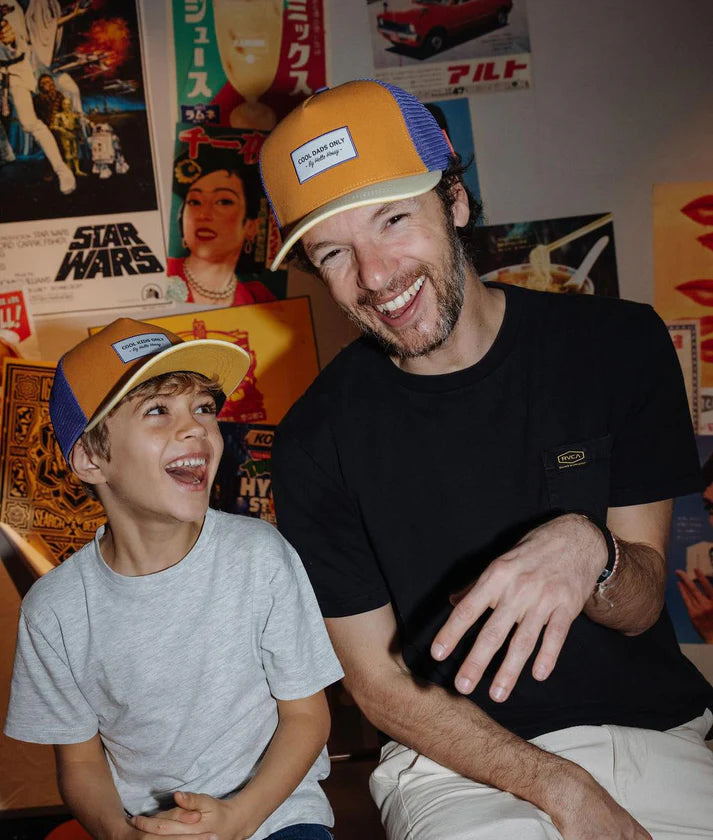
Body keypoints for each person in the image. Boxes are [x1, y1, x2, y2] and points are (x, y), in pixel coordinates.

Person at [259, 80, 713, 840]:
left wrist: (591, 550)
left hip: (651, 739)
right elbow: (376, 685)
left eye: (393, 220)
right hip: (451, 766)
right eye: (333, 253)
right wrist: (560, 787)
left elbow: (638, 609)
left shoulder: (618, 345)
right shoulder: (313, 441)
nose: (375, 276)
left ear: (456, 201)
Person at [4, 317, 343, 840]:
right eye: (158, 411)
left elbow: (307, 717)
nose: (196, 428)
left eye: (203, 408)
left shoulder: (260, 555)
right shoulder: (53, 611)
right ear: (91, 459)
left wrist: (239, 818)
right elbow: (80, 763)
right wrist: (123, 834)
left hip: (276, 817)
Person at [167, 146, 277, 307]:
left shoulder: (259, 299)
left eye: (223, 202)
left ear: (251, 226)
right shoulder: (161, 274)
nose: (203, 215)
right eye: (194, 201)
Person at [0, 1, 75, 194]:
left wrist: (11, 39)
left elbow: (19, 40)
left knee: (30, 123)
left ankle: (62, 170)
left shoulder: (9, 4)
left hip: (14, 70)